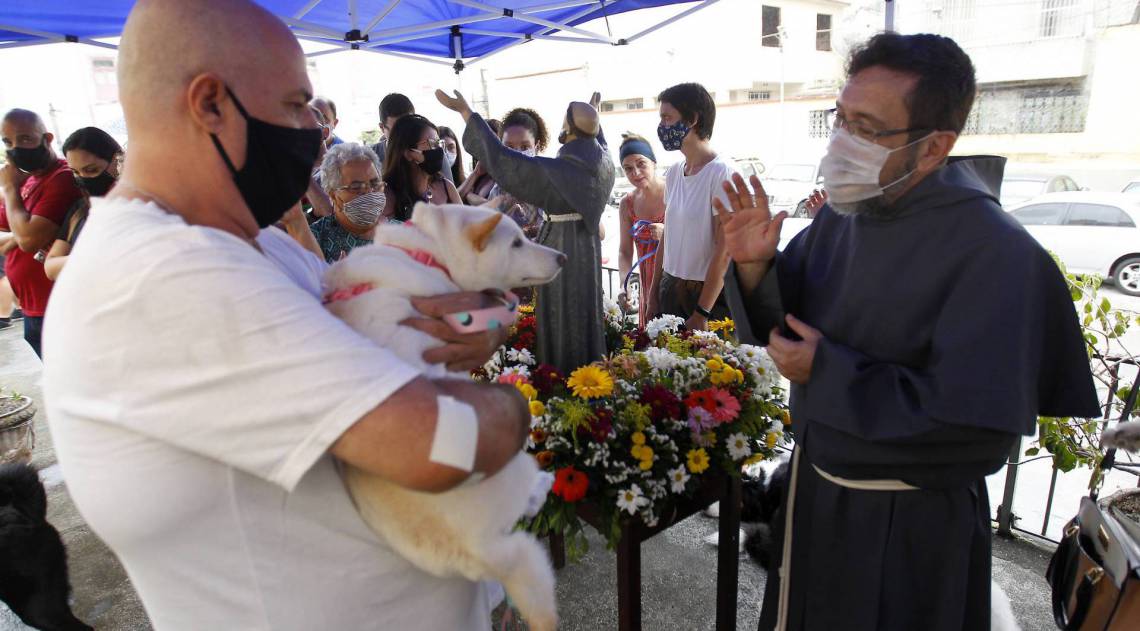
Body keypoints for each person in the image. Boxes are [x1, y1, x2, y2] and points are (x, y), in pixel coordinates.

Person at [42, 2, 530, 630]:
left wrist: (471, 329)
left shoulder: (255, 245)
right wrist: (510, 413)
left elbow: (425, 331)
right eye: (297, 105)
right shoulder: (165, 272)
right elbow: (441, 446)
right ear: (211, 103)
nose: (313, 130)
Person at [714, 33, 1099, 631]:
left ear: (933, 147)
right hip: (818, 498)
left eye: (865, 128)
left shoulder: (997, 255)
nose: (842, 142)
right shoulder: (849, 212)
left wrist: (828, 372)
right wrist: (756, 264)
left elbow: (977, 431)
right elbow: (785, 327)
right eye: (839, 120)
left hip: (907, 525)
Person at [437, 89, 614, 375]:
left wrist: (467, 113)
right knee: (585, 312)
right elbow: (597, 140)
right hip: (587, 246)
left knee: (562, 314)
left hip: (559, 244)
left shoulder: (556, 172)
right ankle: (589, 367)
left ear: (567, 130)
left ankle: (559, 375)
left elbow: (502, 159)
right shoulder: (604, 165)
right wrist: (593, 119)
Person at [644, 83, 735, 331]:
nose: (662, 126)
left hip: (705, 297)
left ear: (693, 119)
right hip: (670, 288)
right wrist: (653, 295)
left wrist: (702, 312)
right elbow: (667, 238)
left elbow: (723, 250)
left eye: (667, 117)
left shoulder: (722, 173)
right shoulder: (674, 174)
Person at [0, 109, 83, 358]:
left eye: (25, 139)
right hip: (32, 306)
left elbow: (27, 240)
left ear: (47, 139)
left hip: (57, 305)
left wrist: (9, 188)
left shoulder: (62, 178)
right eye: (8, 142)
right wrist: (20, 232)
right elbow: (13, 234)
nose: (15, 148)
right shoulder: (27, 180)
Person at [43, 127, 123, 281]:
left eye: (92, 170)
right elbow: (50, 267)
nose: (84, 178)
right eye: (76, 172)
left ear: (117, 161)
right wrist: (97, 257)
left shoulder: (139, 206)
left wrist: (75, 261)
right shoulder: (80, 210)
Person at [615, 133, 665, 328]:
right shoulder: (627, 204)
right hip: (647, 287)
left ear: (654, 162)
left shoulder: (675, 192)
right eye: (628, 168)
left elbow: (696, 237)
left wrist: (667, 234)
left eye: (641, 164)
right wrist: (623, 283)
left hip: (675, 286)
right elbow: (625, 251)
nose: (635, 173)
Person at [310, 142, 386, 263]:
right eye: (356, 188)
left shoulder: (404, 235)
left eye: (375, 184)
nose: (370, 193)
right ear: (333, 195)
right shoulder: (313, 240)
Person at [381, 114, 462, 223]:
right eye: (432, 143)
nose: (438, 150)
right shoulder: (387, 195)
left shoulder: (446, 187)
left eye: (439, 143)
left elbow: (467, 229)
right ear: (408, 153)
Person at [485, 108, 550, 240]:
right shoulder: (497, 192)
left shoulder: (551, 184)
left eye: (525, 147)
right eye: (509, 147)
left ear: (536, 147)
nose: (516, 153)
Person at [457, 118, 501, 205]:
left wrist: (469, 195)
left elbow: (496, 207)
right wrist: (476, 173)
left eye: (493, 142)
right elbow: (454, 199)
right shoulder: (479, 173)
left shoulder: (507, 175)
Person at [370, 92, 415, 164]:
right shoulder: (368, 159)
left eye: (410, 127)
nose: (405, 135)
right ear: (382, 127)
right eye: (397, 131)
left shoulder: (426, 153)